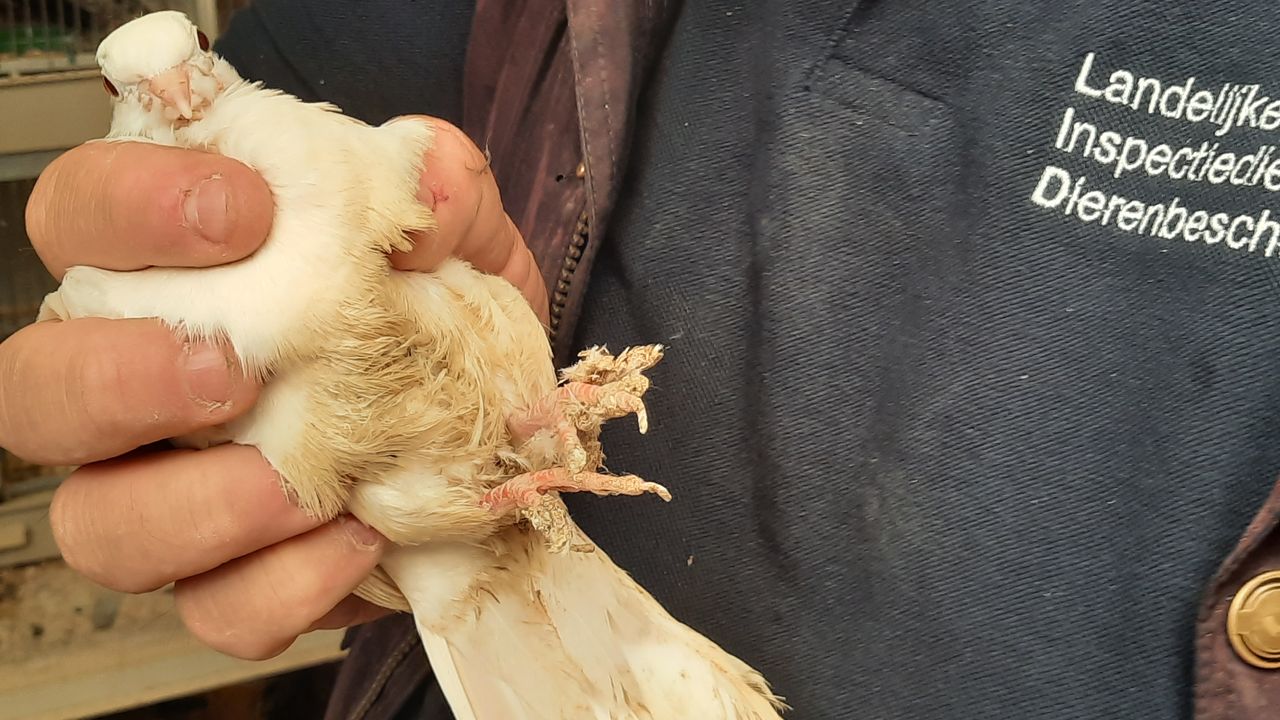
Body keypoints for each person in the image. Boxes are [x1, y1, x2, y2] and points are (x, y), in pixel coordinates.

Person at [3, 1, 1279, 718]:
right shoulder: (331, 128)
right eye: (146, 96)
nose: (179, 104)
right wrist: (146, 424)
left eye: (193, 73)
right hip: (467, 572)